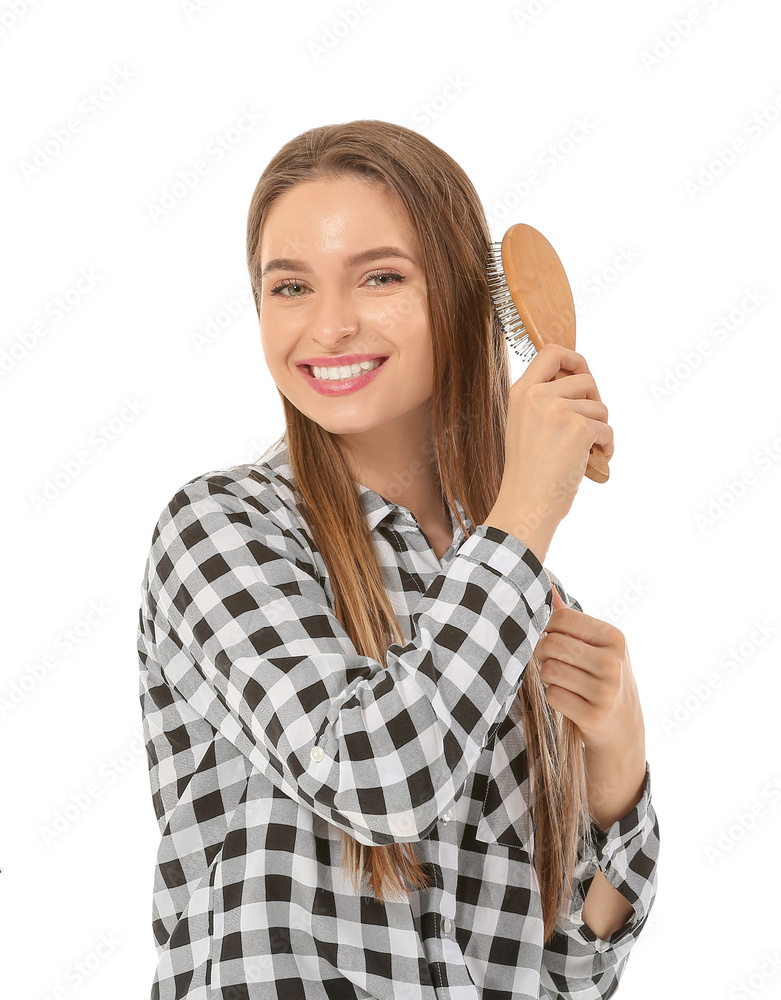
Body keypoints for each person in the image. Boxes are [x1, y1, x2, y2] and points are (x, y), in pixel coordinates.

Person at [136, 119, 659, 1000]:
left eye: (379, 277)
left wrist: (617, 768)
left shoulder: (516, 592)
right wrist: (525, 509)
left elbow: (569, 972)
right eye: (290, 286)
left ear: (462, 299)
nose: (329, 326)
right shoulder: (222, 529)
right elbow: (375, 778)